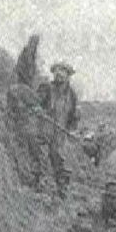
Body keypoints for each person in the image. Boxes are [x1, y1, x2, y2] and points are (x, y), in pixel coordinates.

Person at [38, 62, 79, 197]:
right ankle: (40, 186)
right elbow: (37, 104)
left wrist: (73, 129)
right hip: (44, 130)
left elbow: (73, 115)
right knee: (42, 157)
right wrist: (39, 109)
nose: (60, 73)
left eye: (63, 71)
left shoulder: (72, 95)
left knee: (60, 161)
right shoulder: (46, 88)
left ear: (68, 76)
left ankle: (62, 190)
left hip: (60, 134)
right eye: (57, 70)